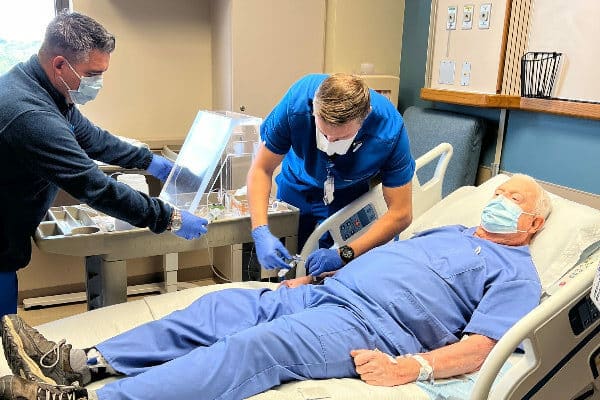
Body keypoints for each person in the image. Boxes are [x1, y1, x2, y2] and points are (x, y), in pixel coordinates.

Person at [0, 174, 551, 400]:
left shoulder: (515, 272)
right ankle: (82, 361)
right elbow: (389, 261)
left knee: (251, 348)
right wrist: (314, 274)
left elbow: (483, 346)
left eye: (519, 202)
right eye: (503, 192)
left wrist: (417, 367)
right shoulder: (449, 226)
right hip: (323, 291)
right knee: (216, 306)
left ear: (535, 225)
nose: (505, 202)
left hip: (368, 327)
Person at [0, 11, 208, 318]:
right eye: (92, 74)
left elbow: (93, 138)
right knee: (4, 340)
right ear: (60, 64)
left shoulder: (45, 89)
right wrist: (169, 217)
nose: (98, 83)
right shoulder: (31, 115)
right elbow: (93, 186)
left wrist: (151, 162)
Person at [247, 73, 416, 277]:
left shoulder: (389, 131)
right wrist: (260, 230)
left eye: (341, 137)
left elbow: (401, 213)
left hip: (348, 193)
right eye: (324, 133)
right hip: (297, 184)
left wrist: (345, 254)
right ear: (313, 110)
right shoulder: (297, 104)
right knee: (289, 262)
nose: (329, 143)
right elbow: (261, 169)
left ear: (365, 117)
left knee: (341, 272)